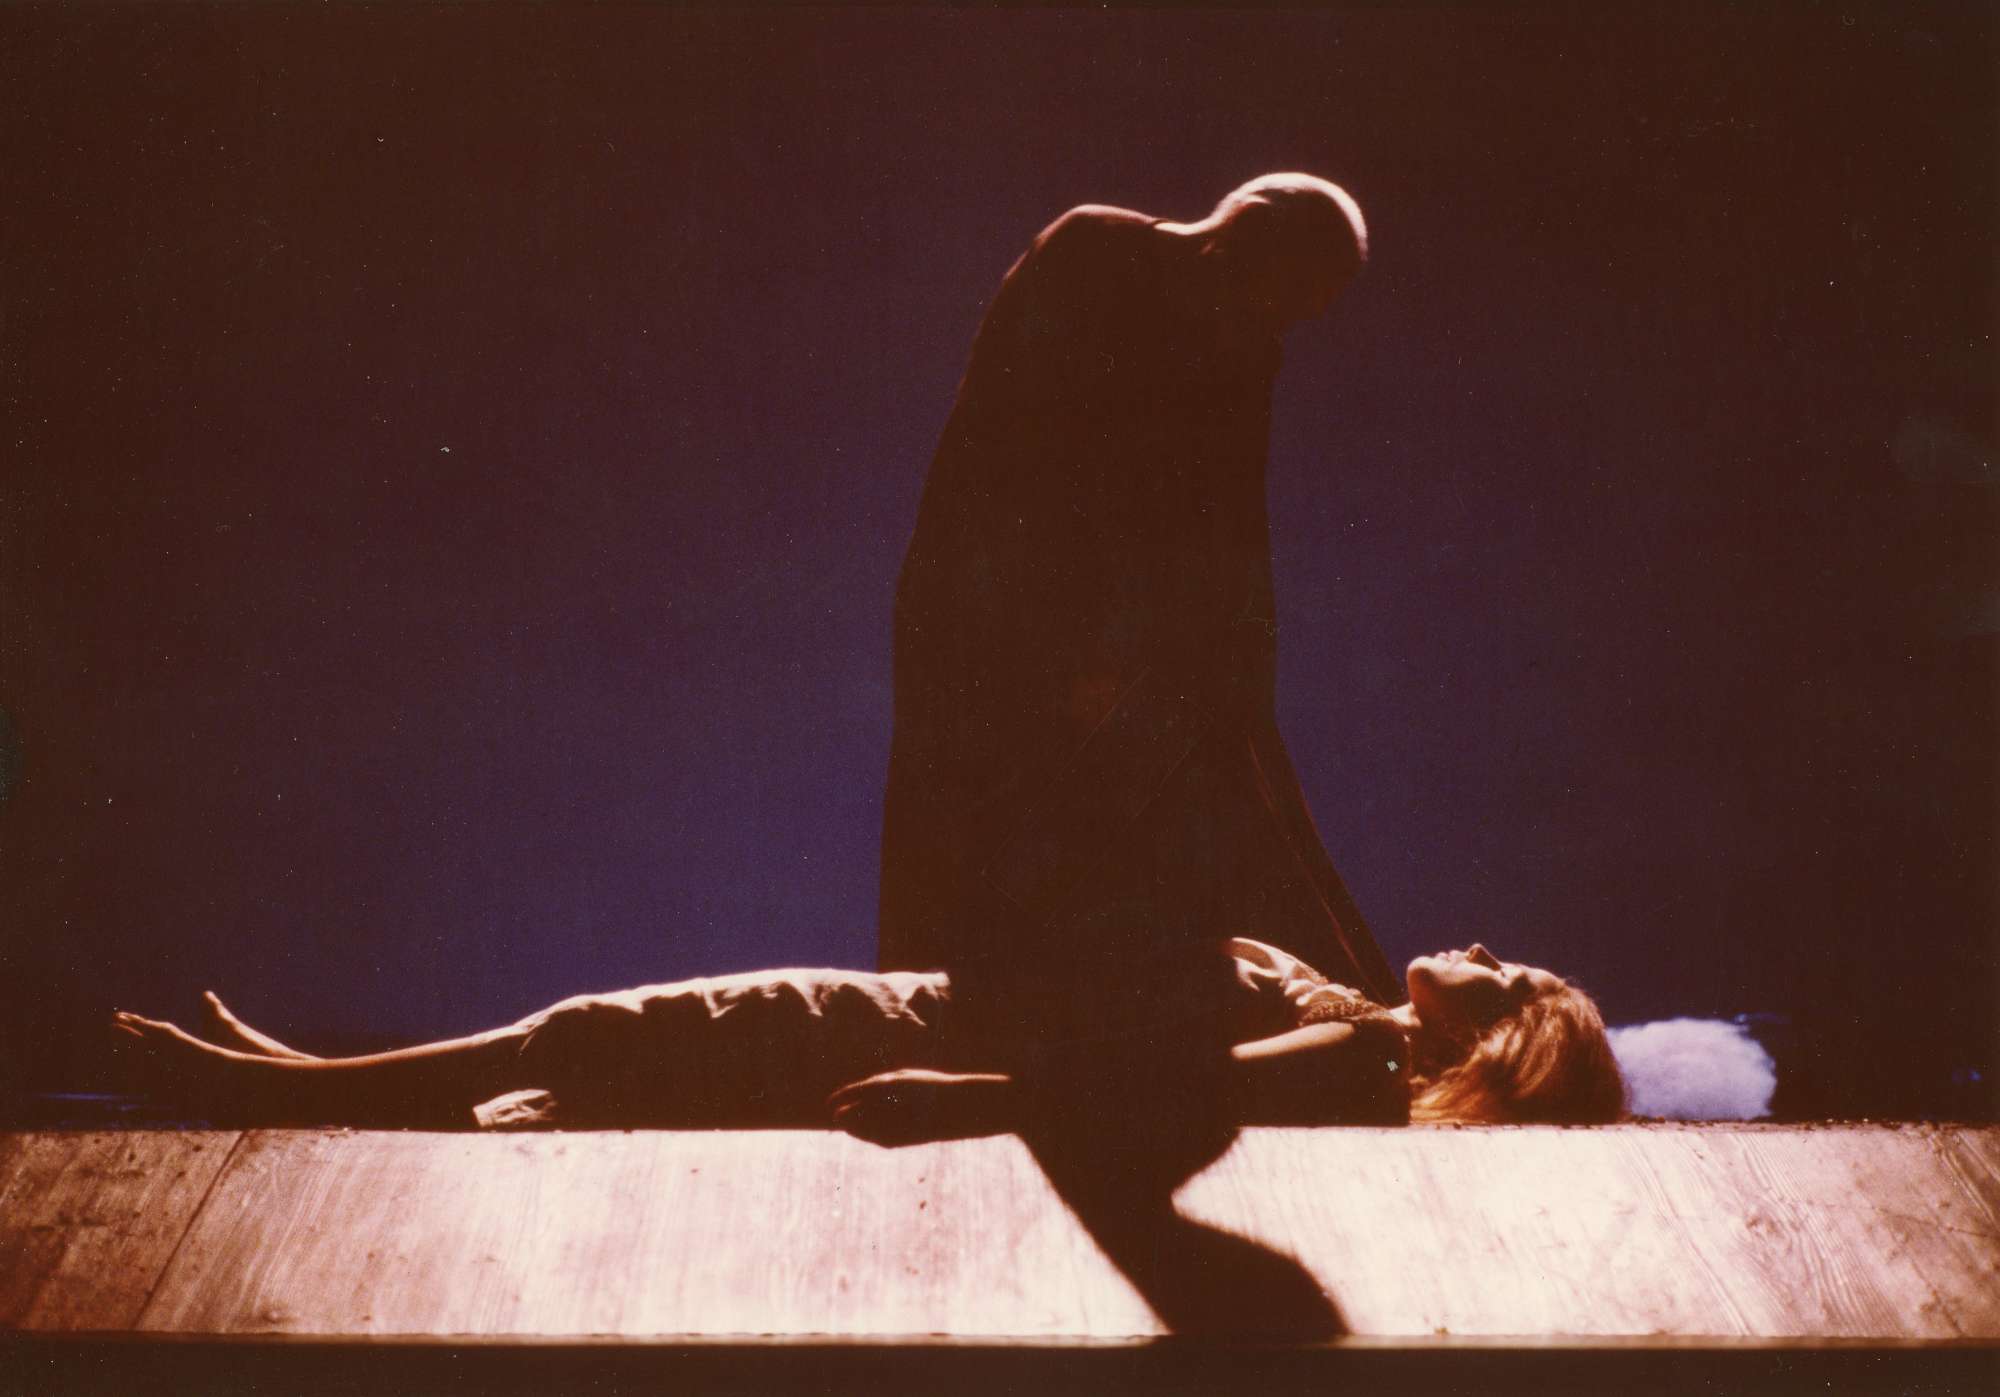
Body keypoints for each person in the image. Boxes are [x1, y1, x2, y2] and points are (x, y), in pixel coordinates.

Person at [879, 175, 1400, 1089]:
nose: (1289, 321)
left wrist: (1233, 693)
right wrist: (1069, 651)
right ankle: (930, 1046)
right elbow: (998, 462)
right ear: (1246, 233)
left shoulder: (1247, 349)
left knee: (1193, 806)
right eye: (1292, 291)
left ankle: (1356, 1019)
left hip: (1110, 654)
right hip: (991, 633)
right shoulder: (1093, 249)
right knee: (967, 847)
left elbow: (1236, 538)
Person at [108, 941, 1625, 1135]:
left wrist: (963, 1097)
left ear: (1501, 1032)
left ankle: (273, 1088)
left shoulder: (1356, 1057)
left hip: (925, 1025)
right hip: (936, 1007)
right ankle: (297, 1078)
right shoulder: (1347, 1019)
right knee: (593, 1042)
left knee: (591, 1033)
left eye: (1505, 973)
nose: (1481, 944)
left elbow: (1162, 1083)